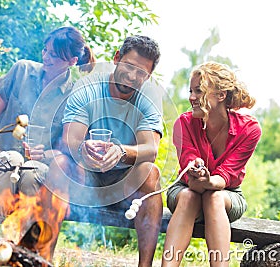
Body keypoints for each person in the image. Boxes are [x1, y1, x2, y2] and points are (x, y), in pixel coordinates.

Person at [0, 26, 95, 261]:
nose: (46, 57)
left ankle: (21, 251)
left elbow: (66, 147)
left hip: (35, 166)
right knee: (9, 164)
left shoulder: (74, 94)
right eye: (45, 50)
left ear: (72, 60)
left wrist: (45, 153)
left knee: (31, 174)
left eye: (54, 54)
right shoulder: (21, 70)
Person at [61, 35, 163, 267]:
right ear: (117, 59)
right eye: (129, 67)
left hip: (125, 184)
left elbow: (151, 149)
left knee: (150, 172)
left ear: (149, 76)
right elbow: (71, 139)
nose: (133, 76)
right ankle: (42, 258)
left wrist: (121, 152)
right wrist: (83, 149)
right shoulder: (88, 87)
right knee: (62, 162)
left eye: (142, 73)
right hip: (86, 178)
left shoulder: (149, 95)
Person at [162, 62, 262, 267]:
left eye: (198, 91)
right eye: (190, 91)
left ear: (220, 95)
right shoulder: (184, 124)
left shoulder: (249, 129)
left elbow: (225, 177)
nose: (191, 97)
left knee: (214, 197)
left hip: (228, 194)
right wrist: (198, 175)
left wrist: (209, 180)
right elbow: (193, 183)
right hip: (185, 190)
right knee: (191, 196)